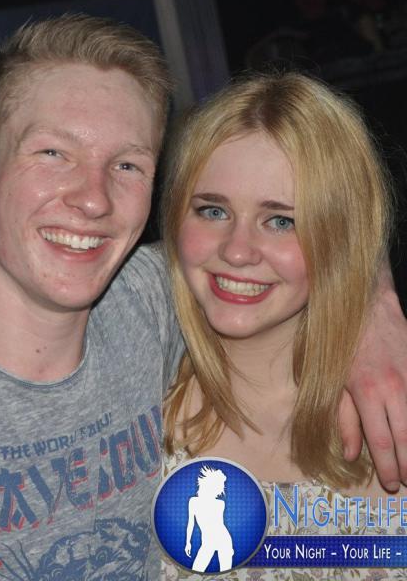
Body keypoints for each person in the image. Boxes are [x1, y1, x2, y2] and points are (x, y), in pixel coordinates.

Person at [0, 15, 406, 580]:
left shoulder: (149, 305)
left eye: (126, 165)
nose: (93, 198)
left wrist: (372, 305)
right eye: (53, 152)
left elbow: (311, 225)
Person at [160, 71, 403, 579]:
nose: (237, 251)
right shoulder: (129, 424)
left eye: (281, 221)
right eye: (212, 210)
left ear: (337, 236)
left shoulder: (393, 410)